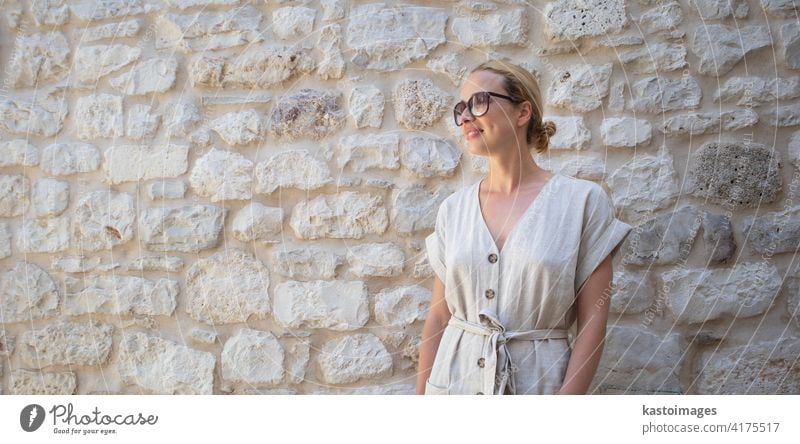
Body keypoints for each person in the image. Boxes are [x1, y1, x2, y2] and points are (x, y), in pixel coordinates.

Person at [416, 60, 632, 395]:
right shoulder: (453, 210)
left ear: (522, 112)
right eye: (462, 108)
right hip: (451, 386)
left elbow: (593, 322)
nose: (466, 117)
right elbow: (438, 319)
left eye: (479, 102)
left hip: (540, 385)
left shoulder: (581, 203)